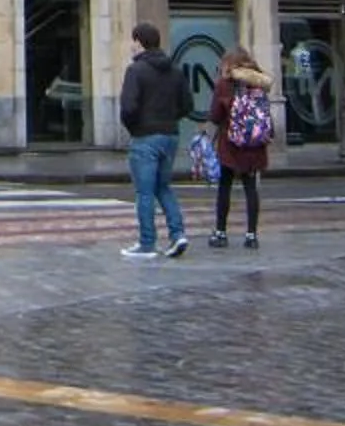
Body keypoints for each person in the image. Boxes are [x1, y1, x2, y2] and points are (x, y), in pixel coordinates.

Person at [117, 22, 189, 259]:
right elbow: (187, 105)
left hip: (145, 136)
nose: (131, 45)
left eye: (132, 40)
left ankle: (147, 243)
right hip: (170, 134)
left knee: (144, 192)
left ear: (139, 42)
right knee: (163, 187)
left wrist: (135, 127)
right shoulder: (175, 70)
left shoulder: (135, 71)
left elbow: (128, 107)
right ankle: (178, 234)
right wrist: (169, 119)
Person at [206, 46, 276, 249]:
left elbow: (215, 115)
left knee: (225, 187)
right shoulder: (258, 82)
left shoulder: (225, 84)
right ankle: (251, 235)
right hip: (254, 146)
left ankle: (221, 232)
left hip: (230, 144)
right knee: (251, 189)